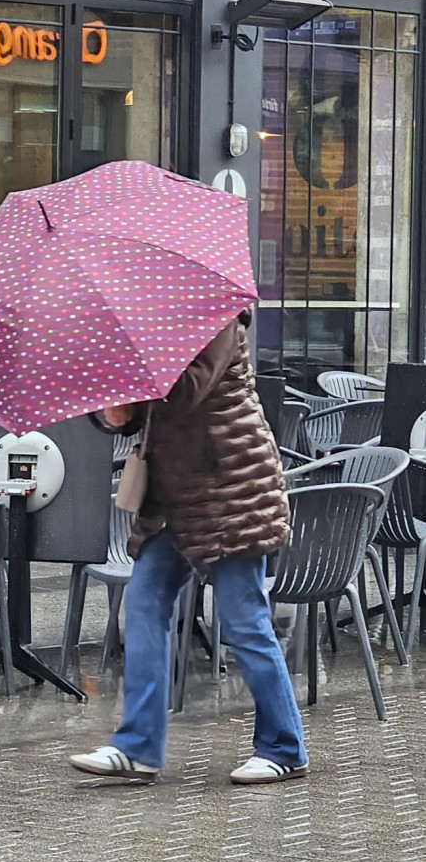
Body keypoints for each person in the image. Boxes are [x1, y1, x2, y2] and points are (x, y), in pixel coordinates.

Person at [70, 308, 308, 785]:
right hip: (175, 500)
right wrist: (113, 414)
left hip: (232, 492)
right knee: (143, 604)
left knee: (243, 619)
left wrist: (130, 379)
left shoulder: (216, 319)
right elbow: (143, 413)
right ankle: (138, 747)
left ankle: (284, 747)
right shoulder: (151, 325)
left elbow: (186, 393)